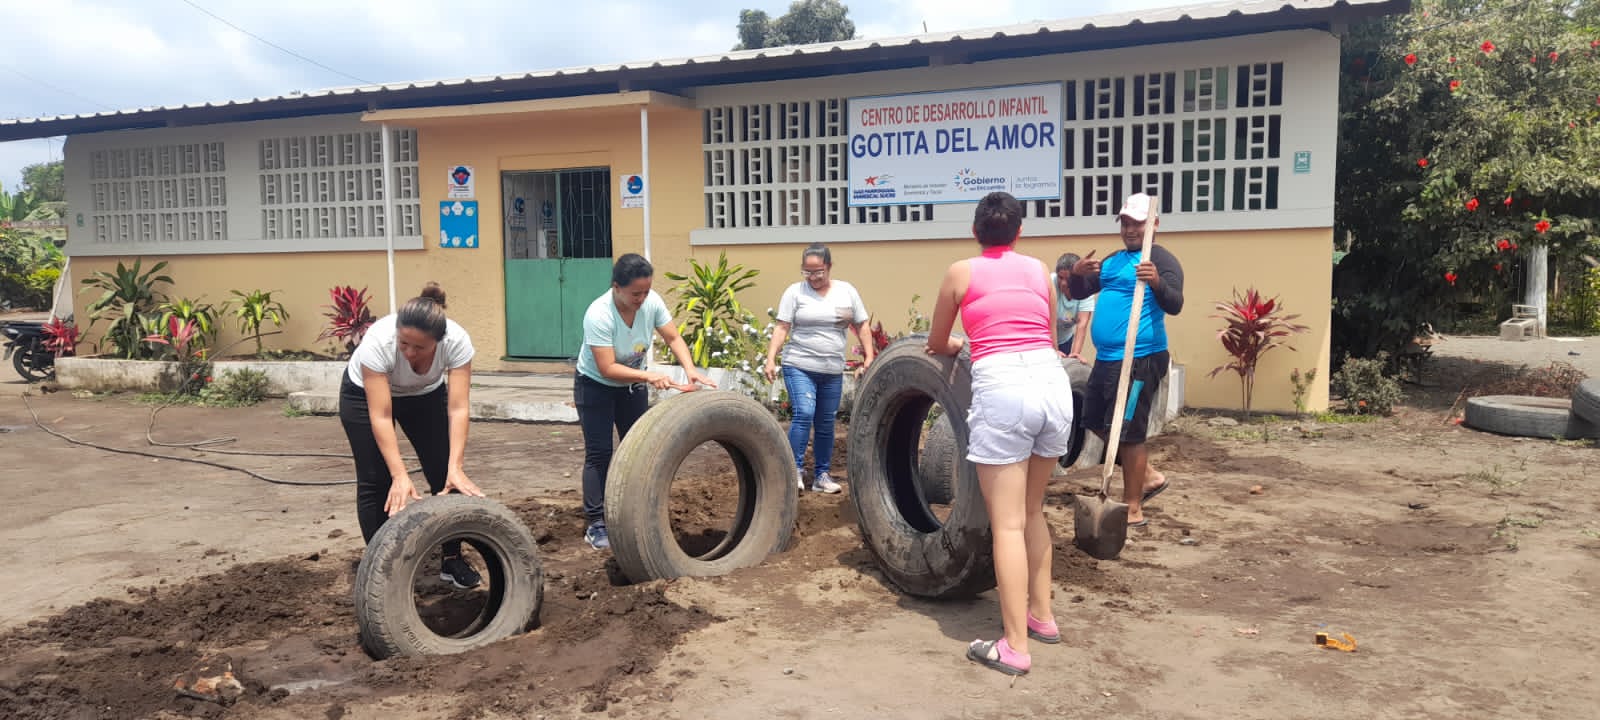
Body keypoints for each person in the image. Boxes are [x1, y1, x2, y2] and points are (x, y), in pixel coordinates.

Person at [925, 191, 1073, 677]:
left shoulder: (960, 272)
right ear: (1018, 231)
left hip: (1004, 389)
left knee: (1006, 525)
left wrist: (960, 345)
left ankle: (1014, 647)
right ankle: (1042, 617)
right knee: (1032, 511)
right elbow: (1045, 334)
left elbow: (936, 341)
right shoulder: (1039, 270)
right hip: (1052, 385)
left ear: (975, 232)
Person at [340, 282, 486, 590]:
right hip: (363, 396)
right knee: (376, 480)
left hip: (424, 395)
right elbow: (381, 415)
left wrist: (456, 466)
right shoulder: (378, 342)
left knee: (445, 475)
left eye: (419, 348)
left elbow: (459, 408)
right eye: (404, 343)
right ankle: (381, 571)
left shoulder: (457, 341)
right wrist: (400, 475)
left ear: (438, 342)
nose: (409, 352)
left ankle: (452, 560)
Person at [575, 253, 717, 550]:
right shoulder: (599, 314)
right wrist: (649, 376)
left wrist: (690, 369)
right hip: (596, 386)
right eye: (635, 293)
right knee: (600, 454)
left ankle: (634, 510)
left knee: (639, 448)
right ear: (616, 287)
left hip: (631, 388)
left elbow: (673, 338)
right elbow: (607, 367)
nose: (642, 299)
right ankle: (597, 522)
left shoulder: (651, 302)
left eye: (646, 291)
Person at [1067, 192, 1184, 529]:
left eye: (1138, 223)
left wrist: (1156, 282)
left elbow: (1175, 304)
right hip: (1107, 359)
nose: (1131, 229)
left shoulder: (1161, 260)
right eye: (1126, 223)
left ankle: (1133, 508)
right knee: (1093, 419)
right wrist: (1076, 274)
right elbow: (1079, 291)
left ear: (1154, 224)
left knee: (1130, 432)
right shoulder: (1115, 260)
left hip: (1140, 359)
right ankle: (1147, 476)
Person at [763, 244, 875, 494]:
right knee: (804, 413)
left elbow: (862, 324)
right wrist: (771, 358)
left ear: (829, 267)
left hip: (831, 370)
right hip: (799, 365)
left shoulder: (846, 291)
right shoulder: (794, 292)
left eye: (818, 272)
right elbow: (782, 327)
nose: (812, 278)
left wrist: (869, 355)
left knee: (826, 423)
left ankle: (821, 475)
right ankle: (794, 470)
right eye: (807, 272)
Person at [1054, 252, 1096, 360]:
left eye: (1067, 279)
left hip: (1065, 339)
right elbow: (1047, 322)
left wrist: (1075, 355)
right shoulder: (1049, 283)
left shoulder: (1085, 288)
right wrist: (1054, 349)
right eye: (1060, 277)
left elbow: (1082, 324)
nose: (1063, 283)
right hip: (1046, 339)